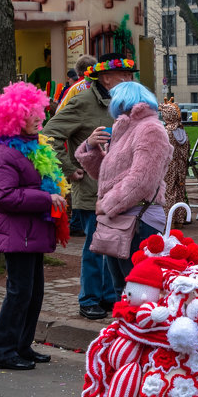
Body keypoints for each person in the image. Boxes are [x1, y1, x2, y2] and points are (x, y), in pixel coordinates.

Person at [0, 81, 70, 370]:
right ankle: (3, 352)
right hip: (16, 234)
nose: (38, 117)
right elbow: (3, 196)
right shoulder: (5, 153)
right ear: (12, 118)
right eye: (30, 113)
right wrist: (46, 198)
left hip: (32, 232)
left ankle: (22, 345)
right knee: (19, 292)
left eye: (38, 111)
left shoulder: (35, 147)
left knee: (33, 293)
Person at [45, 52, 133, 319]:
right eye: (125, 76)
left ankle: (107, 297)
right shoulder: (83, 102)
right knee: (96, 246)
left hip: (119, 191)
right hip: (92, 189)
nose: (130, 80)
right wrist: (70, 169)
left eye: (131, 76)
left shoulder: (124, 103)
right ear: (106, 78)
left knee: (114, 245)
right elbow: (49, 135)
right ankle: (89, 299)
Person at [76, 80, 173, 296]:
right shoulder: (125, 128)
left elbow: (142, 179)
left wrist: (108, 204)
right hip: (122, 217)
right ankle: (125, 328)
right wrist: (91, 148)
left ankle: (138, 329)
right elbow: (109, 175)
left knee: (138, 291)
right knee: (123, 290)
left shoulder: (149, 129)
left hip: (139, 219)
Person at [160, 98, 190, 227]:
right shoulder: (181, 130)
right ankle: (179, 219)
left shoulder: (166, 132)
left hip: (169, 166)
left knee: (168, 191)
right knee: (180, 189)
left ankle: (168, 220)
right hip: (181, 165)